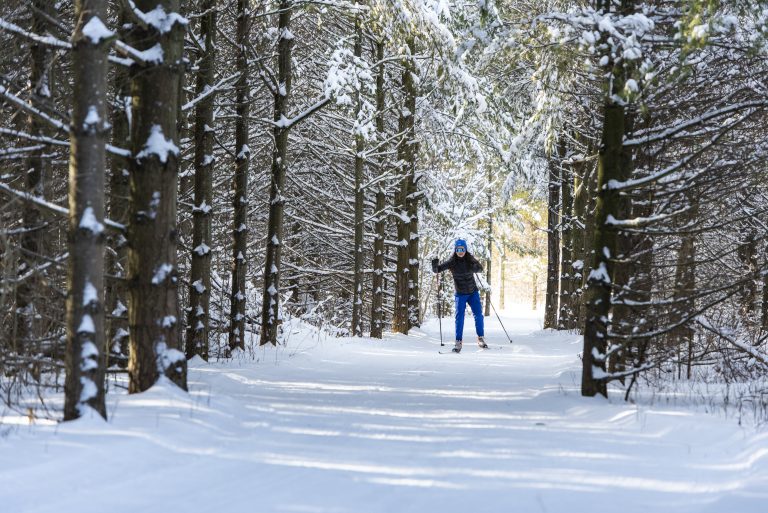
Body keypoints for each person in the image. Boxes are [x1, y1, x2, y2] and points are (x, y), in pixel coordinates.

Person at [431, 239, 487, 353]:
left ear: (465, 250)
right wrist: (435, 265)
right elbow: (438, 270)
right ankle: (458, 341)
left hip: (473, 292)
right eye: (458, 249)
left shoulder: (470, 259)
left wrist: (476, 268)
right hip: (460, 294)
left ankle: (480, 338)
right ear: (455, 250)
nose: (460, 252)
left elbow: (480, 268)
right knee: (459, 317)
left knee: (478, 315)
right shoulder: (452, 262)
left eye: (462, 249)